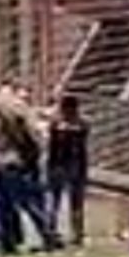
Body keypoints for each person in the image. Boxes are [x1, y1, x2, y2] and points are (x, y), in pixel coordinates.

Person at [0, 83, 58, 253]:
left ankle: (9, 241)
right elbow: (31, 135)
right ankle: (47, 234)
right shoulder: (18, 110)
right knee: (27, 200)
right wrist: (35, 154)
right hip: (17, 160)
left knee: (5, 203)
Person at [45, 93, 90, 248]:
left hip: (59, 165)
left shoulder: (57, 124)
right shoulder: (83, 123)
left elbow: (51, 142)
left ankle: (52, 230)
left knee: (56, 200)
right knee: (75, 202)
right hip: (75, 166)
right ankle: (76, 234)